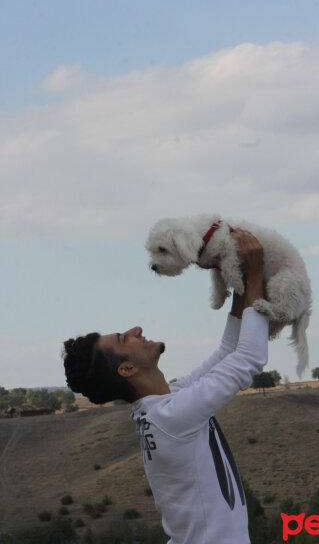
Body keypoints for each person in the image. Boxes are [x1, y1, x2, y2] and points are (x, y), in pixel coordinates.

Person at [62, 229, 269, 544]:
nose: (136, 329)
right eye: (123, 339)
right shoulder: (172, 415)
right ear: (128, 368)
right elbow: (249, 358)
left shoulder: (167, 405)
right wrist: (255, 274)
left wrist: (237, 276)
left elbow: (229, 351)